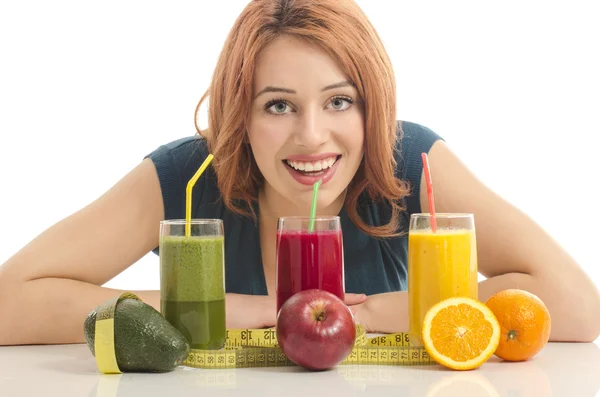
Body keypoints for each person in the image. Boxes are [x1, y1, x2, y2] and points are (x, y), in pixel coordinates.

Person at [0, 0, 598, 346]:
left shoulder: (406, 159)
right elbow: (9, 301)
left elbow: (577, 305)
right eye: (278, 105)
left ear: (373, 107)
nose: (312, 136)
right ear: (242, 111)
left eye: (339, 101)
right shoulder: (190, 173)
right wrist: (204, 307)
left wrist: (405, 311)